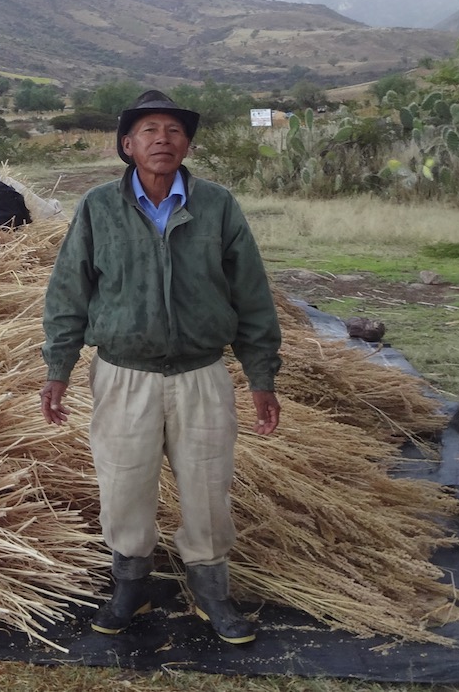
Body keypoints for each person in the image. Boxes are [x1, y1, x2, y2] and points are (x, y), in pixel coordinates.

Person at [39, 89, 281, 644]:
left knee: (207, 487)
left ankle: (211, 592)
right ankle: (131, 586)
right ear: (127, 145)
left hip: (202, 374)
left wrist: (262, 375)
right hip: (124, 374)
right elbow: (68, 292)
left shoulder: (217, 205)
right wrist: (58, 367)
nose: (162, 140)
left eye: (173, 130)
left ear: (188, 143)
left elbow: (252, 296)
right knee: (123, 488)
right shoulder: (98, 207)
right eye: (149, 130)